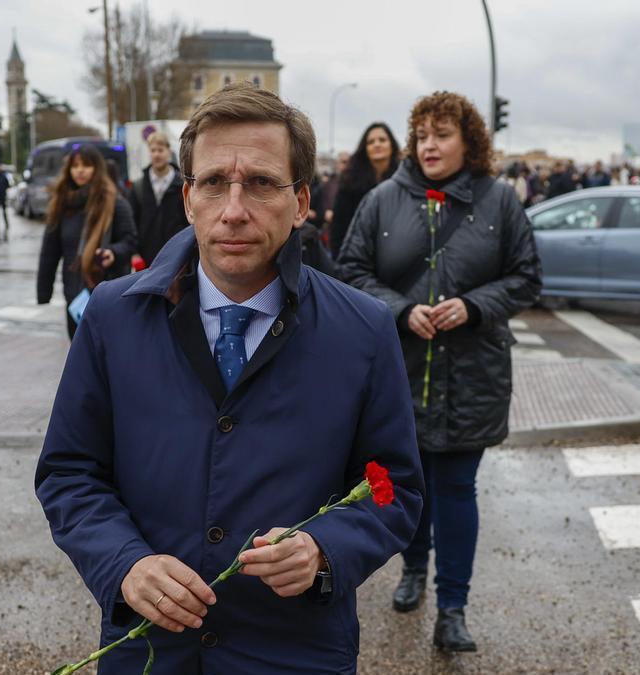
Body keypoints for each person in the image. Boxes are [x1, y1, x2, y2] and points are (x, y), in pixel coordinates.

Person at [35, 83, 423, 674]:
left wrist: (326, 551)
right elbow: (69, 472)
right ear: (189, 198)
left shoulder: (364, 329)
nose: (234, 208)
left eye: (263, 183)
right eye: (215, 182)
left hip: (294, 653)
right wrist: (125, 564)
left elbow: (396, 487)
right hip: (151, 652)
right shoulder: (113, 316)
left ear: (300, 203)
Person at [337, 91, 541, 653]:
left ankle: (453, 606)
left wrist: (474, 306)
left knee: (455, 488)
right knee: (411, 486)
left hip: (472, 375)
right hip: (399, 371)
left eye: (443, 134)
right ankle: (412, 569)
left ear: (469, 141)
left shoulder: (499, 201)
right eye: (422, 134)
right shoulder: (382, 199)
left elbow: (527, 277)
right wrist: (402, 311)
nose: (429, 144)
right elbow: (350, 271)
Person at [36, 144, 136, 339]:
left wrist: (113, 252)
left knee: (108, 355)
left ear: (97, 168)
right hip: (74, 294)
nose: (80, 170)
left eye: (86, 165)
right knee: (79, 352)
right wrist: (44, 291)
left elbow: (130, 240)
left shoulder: (114, 202)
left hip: (108, 292)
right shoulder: (61, 204)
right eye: (75, 166)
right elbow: (50, 252)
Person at [330, 123, 399, 257]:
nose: (377, 144)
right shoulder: (349, 181)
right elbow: (338, 227)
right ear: (365, 148)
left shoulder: (405, 179)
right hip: (358, 256)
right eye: (371, 142)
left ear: (392, 145)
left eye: (382, 140)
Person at [127, 131, 187, 267]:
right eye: (153, 150)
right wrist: (134, 253)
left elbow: (188, 223)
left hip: (176, 259)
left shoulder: (182, 185)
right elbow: (131, 224)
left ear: (168, 151)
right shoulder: (139, 186)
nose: (156, 154)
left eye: (160, 150)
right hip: (146, 262)